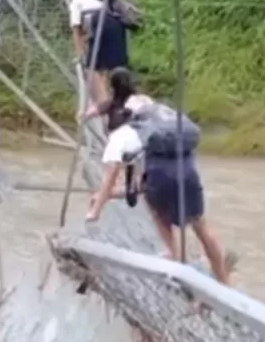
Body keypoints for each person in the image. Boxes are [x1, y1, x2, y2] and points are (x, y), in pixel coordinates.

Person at [85, 68, 231, 285]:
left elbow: (115, 177)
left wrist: (97, 207)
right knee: (201, 226)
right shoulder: (151, 110)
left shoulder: (122, 136)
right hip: (188, 166)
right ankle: (224, 283)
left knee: (164, 215)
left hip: (160, 172)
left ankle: (179, 268)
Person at [61, 0, 129, 118]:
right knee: (102, 68)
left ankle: (101, 104)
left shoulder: (76, 1)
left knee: (90, 69)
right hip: (116, 26)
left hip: (100, 25)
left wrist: (80, 55)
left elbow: (76, 30)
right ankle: (108, 101)